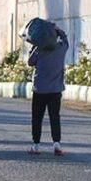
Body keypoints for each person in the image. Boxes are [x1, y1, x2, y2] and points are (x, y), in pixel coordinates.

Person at [27, 23, 69, 156]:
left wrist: (34, 46)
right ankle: (57, 144)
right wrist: (57, 29)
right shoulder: (61, 49)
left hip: (39, 90)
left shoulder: (39, 50)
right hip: (55, 90)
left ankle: (36, 145)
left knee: (37, 117)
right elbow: (65, 39)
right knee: (54, 117)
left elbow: (30, 62)